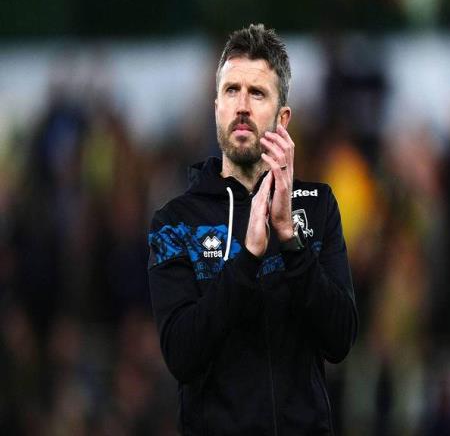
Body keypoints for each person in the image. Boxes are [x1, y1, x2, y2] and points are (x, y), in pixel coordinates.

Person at [148, 24, 358, 436]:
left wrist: (290, 241)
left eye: (257, 93)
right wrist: (246, 261)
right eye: (232, 91)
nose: (242, 106)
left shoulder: (317, 207)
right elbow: (180, 356)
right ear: (216, 108)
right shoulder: (175, 222)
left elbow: (340, 340)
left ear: (283, 118)